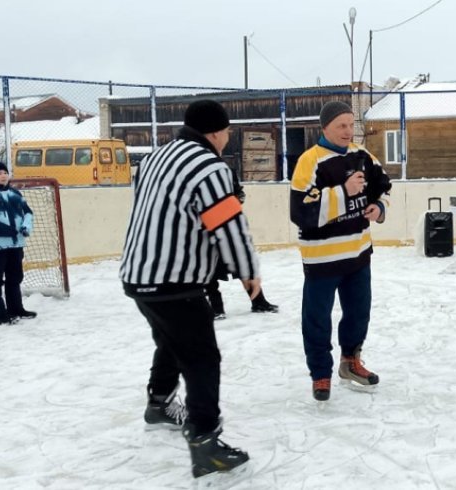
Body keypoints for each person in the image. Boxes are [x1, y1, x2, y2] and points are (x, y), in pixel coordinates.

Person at [119, 100, 259, 479]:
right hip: (175, 280)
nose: (228, 138)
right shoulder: (210, 167)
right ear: (216, 132)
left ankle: (160, 402)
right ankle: (205, 441)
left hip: (137, 274)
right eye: (228, 131)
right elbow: (227, 224)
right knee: (202, 359)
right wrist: (248, 272)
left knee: (170, 338)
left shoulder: (153, 158)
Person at [290, 100, 391, 402]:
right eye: (341, 126)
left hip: (358, 256)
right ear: (325, 128)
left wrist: (379, 207)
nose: (349, 131)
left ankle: (351, 361)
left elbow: (383, 185)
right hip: (322, 259)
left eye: (351, 124)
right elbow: (301, 212)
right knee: (317, 318)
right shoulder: (310, 161)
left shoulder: (362, 155)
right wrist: (343, 192)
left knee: (359, 314)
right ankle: (320, 373)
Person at [206, 170, 278, 320]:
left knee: (242, 263)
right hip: (207, 230)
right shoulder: (200, 174)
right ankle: (216, 308)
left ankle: (258, 302)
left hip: (229, 225)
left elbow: (239, 193)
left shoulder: (226, 171)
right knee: (209, 270)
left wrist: (234, 202)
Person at [0, 161, 37, 325]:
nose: (3, 176)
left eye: (5, 172)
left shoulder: (15, 193)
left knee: (15, 277)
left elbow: (28, 212)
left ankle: (16, 308)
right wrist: (6, 231)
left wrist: (26, 226)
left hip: (16, 244)